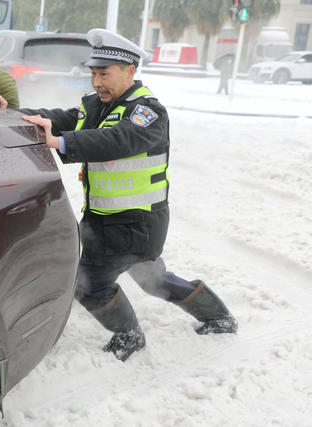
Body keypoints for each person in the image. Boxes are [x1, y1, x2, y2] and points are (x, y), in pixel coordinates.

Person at [22, 29, 237, 362]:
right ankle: (217, 317)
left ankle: (130, 336)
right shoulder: (97, 104)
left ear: (130, 71)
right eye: (93, 73)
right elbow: (65, 118)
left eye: (104, 74)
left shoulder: (148, 112)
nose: (96, 82)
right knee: (154, 279)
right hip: (108, 220)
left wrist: (61, 143)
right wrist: (16, 115)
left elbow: (117, 141)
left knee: (89, 285)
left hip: (136, 222)